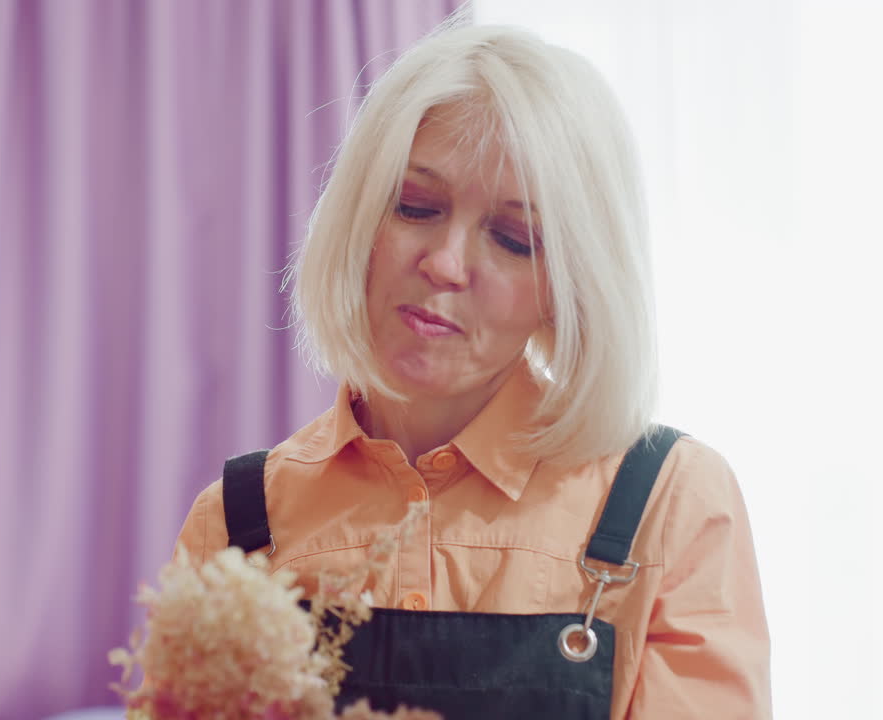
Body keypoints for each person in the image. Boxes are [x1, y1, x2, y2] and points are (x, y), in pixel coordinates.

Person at [174, 22, 771, 720]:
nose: (446, 264)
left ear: (568, 288)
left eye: (513, 239)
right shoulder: (236, 521)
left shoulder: (670, 504)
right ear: (361, 220)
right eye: (415, 207)